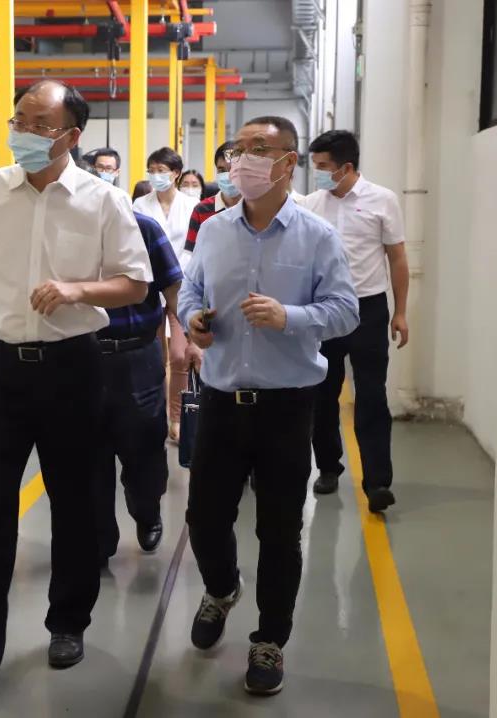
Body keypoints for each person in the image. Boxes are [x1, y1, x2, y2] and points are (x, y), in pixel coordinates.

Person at [0, 79, 151, 695]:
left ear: (71, 136)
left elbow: (135, 283)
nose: (22, 132)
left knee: (75, 504)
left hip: (73, 368)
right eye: (18, 120)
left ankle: (68, 622)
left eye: (38, 124)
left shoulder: (103, 201)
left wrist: (78, 290)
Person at [177, 116, 359, 696]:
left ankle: (270, 640)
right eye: (239, 149)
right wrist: (194, 319)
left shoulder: (317, 236)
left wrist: (291, 317)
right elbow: (190, 291)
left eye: (258, 149)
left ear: (287, 161)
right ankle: (222, 588)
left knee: (280, 530)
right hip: (221, 399)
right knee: (205, 517)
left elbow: (346, 310)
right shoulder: (213, 229)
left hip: (286, 405)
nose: (243, 159)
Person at [303, 129, 410, 513]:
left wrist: (400, 312)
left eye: (323, 166)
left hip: (368, 309)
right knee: (323, 394)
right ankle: (328, 467)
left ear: (346, 167)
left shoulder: (383, 200)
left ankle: (377, 481)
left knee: (371, 396)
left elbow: (397, 257)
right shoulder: (311, 204)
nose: (317, 173)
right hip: (325, 310)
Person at [94, 211, 183, 566]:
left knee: (144, 447)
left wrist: (188, 337)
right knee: (88, 455)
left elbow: (174, 289)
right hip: (82, 355)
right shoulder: (62, 226)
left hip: (137, 355)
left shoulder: (142, 228)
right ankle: (100, 538)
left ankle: (147, 513)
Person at [133, 147, 201, 442]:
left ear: (176, 173)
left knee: (179, 354)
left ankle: (177, 417)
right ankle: (156, 416)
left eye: (162, 170)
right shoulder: (139, 204)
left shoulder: (192, 205)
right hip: (148, 286)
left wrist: (177, 272)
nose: (156, 176)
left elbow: (193, 248)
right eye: (152, 170)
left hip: (180, 285)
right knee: (155, 355)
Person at [185, 141, 241, 253]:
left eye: (233, 169)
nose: (228, 175)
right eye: (221, 170)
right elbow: (191, 255)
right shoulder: (201, 210)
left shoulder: (256, 208)